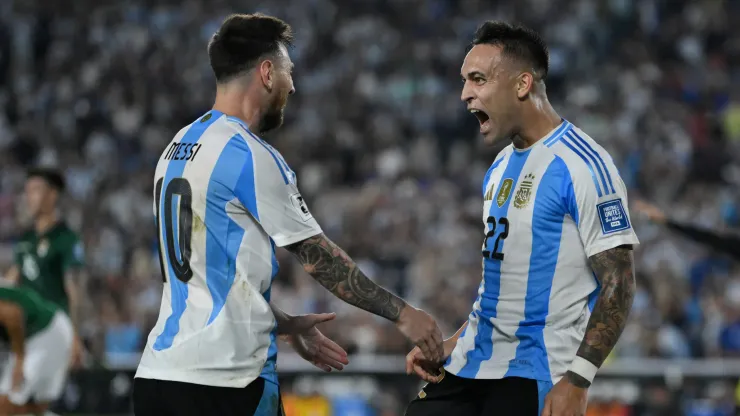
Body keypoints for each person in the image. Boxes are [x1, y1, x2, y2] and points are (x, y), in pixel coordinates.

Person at [133, 13, 443, 416]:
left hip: (159, 378)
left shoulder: (176, 147)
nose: (292, 85)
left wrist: (279, 322)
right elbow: (319, 258)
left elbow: (204, 277)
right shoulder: (249, 154)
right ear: (266, 72)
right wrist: (403, 315)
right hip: (226, 384)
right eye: (287, 71)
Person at [404, 21, 638, 416]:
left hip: (535, 373)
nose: (464, 94)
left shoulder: (583, 165)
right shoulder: (499, 167)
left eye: (477, 79)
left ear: (522, 84)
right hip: (470, 365)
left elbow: (619, 283)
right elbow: (500, 290)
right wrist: (453, 343)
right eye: (464, 80)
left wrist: (578, 380)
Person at [4, 168, 84, 367]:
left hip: (55, 330)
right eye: (27, 191)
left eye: (36, 190)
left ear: (52, 195)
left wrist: (75, 335)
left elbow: (73, 290)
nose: (29, 197)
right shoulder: (26, 239)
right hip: (30, 331)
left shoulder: (66, 239)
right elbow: (11, 282)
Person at [0, 284, 74, 416]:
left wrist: (19, 358)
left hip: (46, 331)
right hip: (39, 334)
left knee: (7, 405)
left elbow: (12, 315)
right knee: (33, 408)